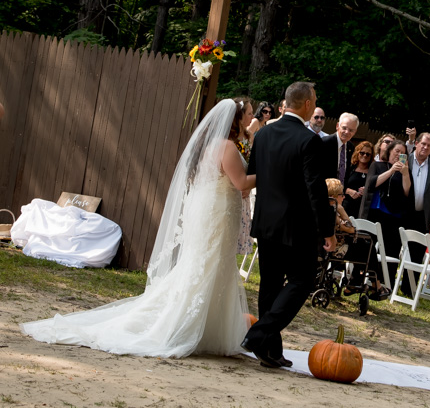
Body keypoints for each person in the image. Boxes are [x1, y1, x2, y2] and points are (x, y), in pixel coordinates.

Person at [21, 99, 256, 358]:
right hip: (217, 214)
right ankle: (184, 325)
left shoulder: (208, 145)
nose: (249, 119)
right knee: (210, 262)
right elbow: (241, 182)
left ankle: (206, 328)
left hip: (210, 210)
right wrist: (268, 174)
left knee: (205, 262)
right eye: (246, 115)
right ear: (234, 120)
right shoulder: (227, 147)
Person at [241, 82, 335, 369]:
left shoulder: (263, 134)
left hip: (266, 221)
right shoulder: (309, 140)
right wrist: (328, 230)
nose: (315, 105)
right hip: (297, 225)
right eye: (314, 101)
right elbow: (316, 190)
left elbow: (254, 174)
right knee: (302, 281)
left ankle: (270, 351)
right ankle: (258, 335)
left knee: (270, 285)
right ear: (306, 104)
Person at [369, 139, 411, 286]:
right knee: (370, 248)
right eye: (396, 151)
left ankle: (387, 283)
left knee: (391, 250)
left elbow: (407, 192)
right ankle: (371, 279)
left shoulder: (405, 171)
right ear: (389, 151)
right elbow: (372, 183)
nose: (399, 155)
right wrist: (391, 170)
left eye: (403, 153)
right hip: (376, 212)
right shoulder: (377, 165)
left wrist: (405, 174)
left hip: (394, 215)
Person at [404, 132, 430, 234]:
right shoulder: (405, 160)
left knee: (418, 245)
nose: (425, 147)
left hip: (423, 218)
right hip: (402, 213)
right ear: (416, 143)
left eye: (429, 145)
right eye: (423, 144)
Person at [234, 97, 256, 256]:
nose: (252, 117)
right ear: (240, 116)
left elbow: (253, 164)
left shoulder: (250, 137)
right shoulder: (229, 139)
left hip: (244, 192)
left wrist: (248, 186)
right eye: (249, 113)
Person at [322, 112, 359, 185]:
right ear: (337, 126)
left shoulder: (351, 147)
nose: (347, 132)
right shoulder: (324, 143)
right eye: (344, 128)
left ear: (355, 132)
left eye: (351, 130)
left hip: (341, 190)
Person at [344, 140, 374, 218]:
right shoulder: (349, 168)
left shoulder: (373, 172)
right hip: (347, 206)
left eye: (368, 154)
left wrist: (367, 190)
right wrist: (349, 191)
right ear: (357, 153)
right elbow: (340, 184)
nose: (365, 155)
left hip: (363, 209)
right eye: (362, 153)